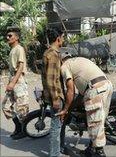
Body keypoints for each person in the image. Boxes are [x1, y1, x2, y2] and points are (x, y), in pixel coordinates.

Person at [55, 51, 113, 157]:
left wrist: (66, 109)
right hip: (107, 85)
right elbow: (82, 90)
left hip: (95, 89)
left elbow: (70, 90)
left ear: (60, 60)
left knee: (94, 123)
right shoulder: (80, 60)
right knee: (100, 120)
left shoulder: (65, 66)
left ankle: (99, 152)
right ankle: (92, 149)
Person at [2, 26, 29, 140]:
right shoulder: (12, 49)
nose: (7, 37)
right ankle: (18, 127)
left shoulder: (19, 48)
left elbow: (21, 66)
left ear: (16, 37)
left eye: (10, 35)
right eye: (7, 35)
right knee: (6, 106)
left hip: (18, 80)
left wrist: (13, 83)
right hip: (12, 78)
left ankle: (23, 130)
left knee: (22, 107)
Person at [41, 28, 65, 157]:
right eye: (63, 37)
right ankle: (54, 154)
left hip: (54, 94)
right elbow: (51, 79)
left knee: (60, 123)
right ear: (58, 38)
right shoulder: (53, 55)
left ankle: (60, 148)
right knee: (56, 127)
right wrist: (56, 98)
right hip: (56, 95)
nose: (63, 39)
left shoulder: (49, 52)